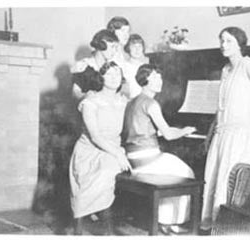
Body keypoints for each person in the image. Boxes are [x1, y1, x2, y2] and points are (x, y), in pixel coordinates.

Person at [200, 27, 250, 233]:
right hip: (221, 134)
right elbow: (220, 108)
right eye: (221, 40)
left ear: (240, 44)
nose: (223, 45)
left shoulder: (249, 65)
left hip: (241, 135)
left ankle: (227, 230)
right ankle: (213, 228)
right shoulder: (225, 70)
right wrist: (209, 137)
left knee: (228, 183)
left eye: (229, 41)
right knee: (212, 180)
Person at [122, 64, 196, 235]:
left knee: (175, 169)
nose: (160, 81)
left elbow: (139, 129)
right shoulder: (151, 103)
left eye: (160, 77)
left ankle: (165, 219)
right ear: (145, 81)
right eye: (155, 77)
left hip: (133, 158)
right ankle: (171, 222)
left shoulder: (133, 101)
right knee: (186, 173)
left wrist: (158, 132)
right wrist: (186, 130)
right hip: (148, 159)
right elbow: (169, 134)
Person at [69, 62, 131, 235]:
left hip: (113, 149)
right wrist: (118, 154)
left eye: (117, 74)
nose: (114, 78)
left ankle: (106, 229)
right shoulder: (90, 101)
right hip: (89, 150)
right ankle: (80, 227)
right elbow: (95, 136)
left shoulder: (123, 101)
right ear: (101, 78)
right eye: (109, 74)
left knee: (108, 168)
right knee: (104, 170)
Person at [71, 29, 119, 100]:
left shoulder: (112, 67)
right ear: (102, 45)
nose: (115, 51)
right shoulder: (84, 66)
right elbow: (75, 92)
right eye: (112, 47)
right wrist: (86, 96)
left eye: (116, 47)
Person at [121, 34, 149, 99]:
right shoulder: (124, 67)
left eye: (140, 46)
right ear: (128, 48)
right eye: (134, 46)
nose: (137, 49)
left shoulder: (146, 67)